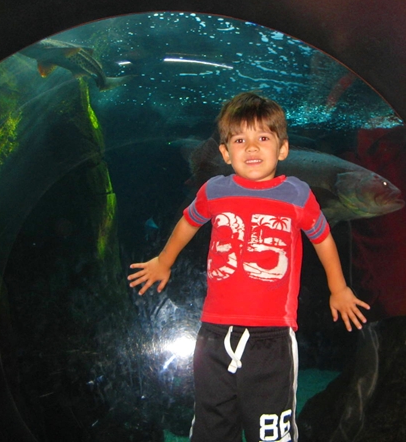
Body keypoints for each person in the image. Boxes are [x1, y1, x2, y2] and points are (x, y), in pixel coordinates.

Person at [127, 92, 370, 442]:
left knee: (271, 428)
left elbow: (323, 239)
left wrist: (339, 288)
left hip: (271, 336)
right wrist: (163, 262)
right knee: (211, 424)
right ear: (225, 153)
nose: (252, 148)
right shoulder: (214, 190)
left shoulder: (297, 194)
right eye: (240, 140)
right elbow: (187, 223)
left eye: (263, 138)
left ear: (283, 149)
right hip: (212, 333)